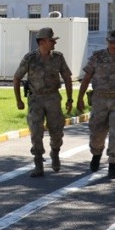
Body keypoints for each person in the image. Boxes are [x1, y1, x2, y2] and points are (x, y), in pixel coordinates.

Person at [75, 29, 115, 179]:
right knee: (97, 132)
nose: (114, 45)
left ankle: (113, 164)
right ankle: (96, 155)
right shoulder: (97, 57)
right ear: (107, 42)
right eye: (111, 42)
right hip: (99, 100)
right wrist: (79, 99)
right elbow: (86, 79)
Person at [12, 27, 74, 178]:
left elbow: (67, 77)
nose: (54, 43)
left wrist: (70, 98)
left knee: (57, 130)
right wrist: (19, 99)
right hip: (36, 99)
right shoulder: (30, 58)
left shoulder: (58, 57)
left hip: (53, 97)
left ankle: (55, 152)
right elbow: (17, 78)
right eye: (51, 40)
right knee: (36, 132)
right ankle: (38, 163)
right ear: (42, 42)